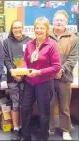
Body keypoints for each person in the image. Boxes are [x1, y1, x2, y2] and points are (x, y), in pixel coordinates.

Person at [20, 17, 61, 141]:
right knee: (25, 109)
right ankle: (25, 136)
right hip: (29, 82)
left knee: (44, 112)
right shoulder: (30, 44)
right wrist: (23, 70)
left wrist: (39, 72)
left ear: (47, 30)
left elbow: (57, 66)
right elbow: (24, 60)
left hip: (44, 83)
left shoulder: (52, 45)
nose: (39, 30)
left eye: (42, 28)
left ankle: (43, 137)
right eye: (37, 28)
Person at [49, 10, 78, 140]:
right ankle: (49, 127)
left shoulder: (73, 38)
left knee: (64, 106)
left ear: (66, 23)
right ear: (53, 22)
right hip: (48, 77)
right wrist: (52, 71)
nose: (59, 22)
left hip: (65, 78)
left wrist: (61, 70)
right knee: (49, 104)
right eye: (57, 20)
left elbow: (73, 58)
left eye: (61, 20)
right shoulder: (46, 36)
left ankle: (66, 129)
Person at [3, 20, 31, 140]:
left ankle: (25, 128)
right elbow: (6, 59)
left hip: (27, 79)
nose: (17, 29)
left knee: (25, 105)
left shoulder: (29, 41)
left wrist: (23, 74)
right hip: (12, 78)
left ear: (22, 28)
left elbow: (31, 59)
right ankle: (15, 128)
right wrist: (13, 72)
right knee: (15, 104)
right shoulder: (6, 42)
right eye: (15, 27)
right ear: (11, 29)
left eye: (19, 27)